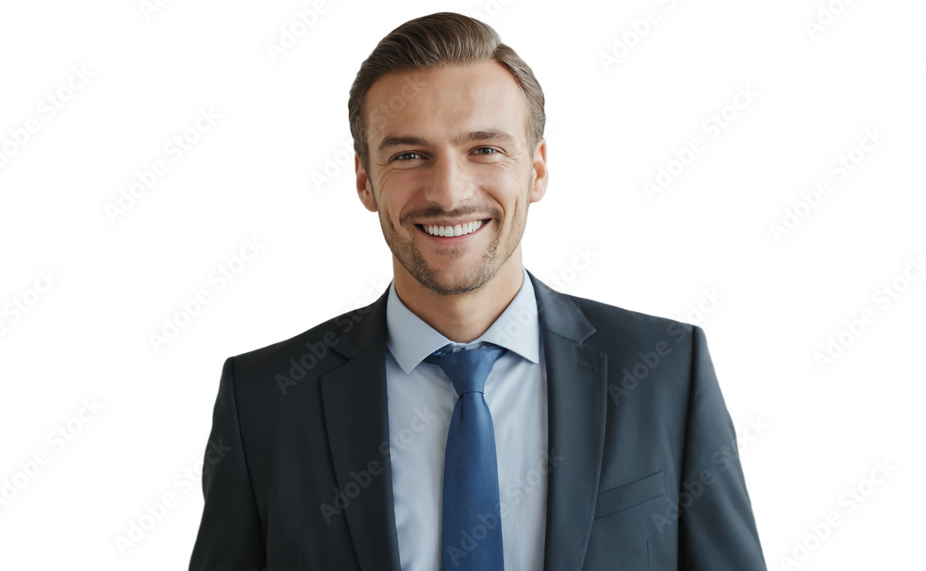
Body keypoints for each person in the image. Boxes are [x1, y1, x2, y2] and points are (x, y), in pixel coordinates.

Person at [188, 11, 766, 571]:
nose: (449, 191)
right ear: (365, 179)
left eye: (485, 149)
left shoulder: (666, 370)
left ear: (537, 169)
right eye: (410, 155)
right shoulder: (265, 402)